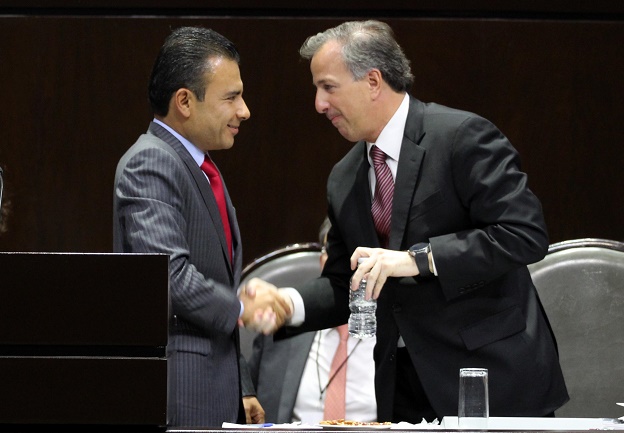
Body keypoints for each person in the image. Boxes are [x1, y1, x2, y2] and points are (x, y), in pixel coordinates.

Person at [249, 20, 569, 423]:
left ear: (372, 81)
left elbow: (523, 234)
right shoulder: (344, 178)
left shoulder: (461, 137)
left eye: (328, 87)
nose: (319, 104)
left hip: (492, 377)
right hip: (402, 390)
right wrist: (287, 304)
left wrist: (417, 259)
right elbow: (343, 283)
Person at [113, 26, 289, 427]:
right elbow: (168, 276)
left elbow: (214, 279)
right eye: (231, 97)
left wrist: (242, 385)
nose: (244, 110)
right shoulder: (151, 162)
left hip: (216, 390)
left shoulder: (201, 166)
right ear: (184, 101)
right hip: (181, 394)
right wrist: (242, 306)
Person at [248, 218, 376, 424]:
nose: (349, 265)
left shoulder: (400, 339)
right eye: (337, 254)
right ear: (323, 261)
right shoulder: (281, 328)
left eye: (358, 256)